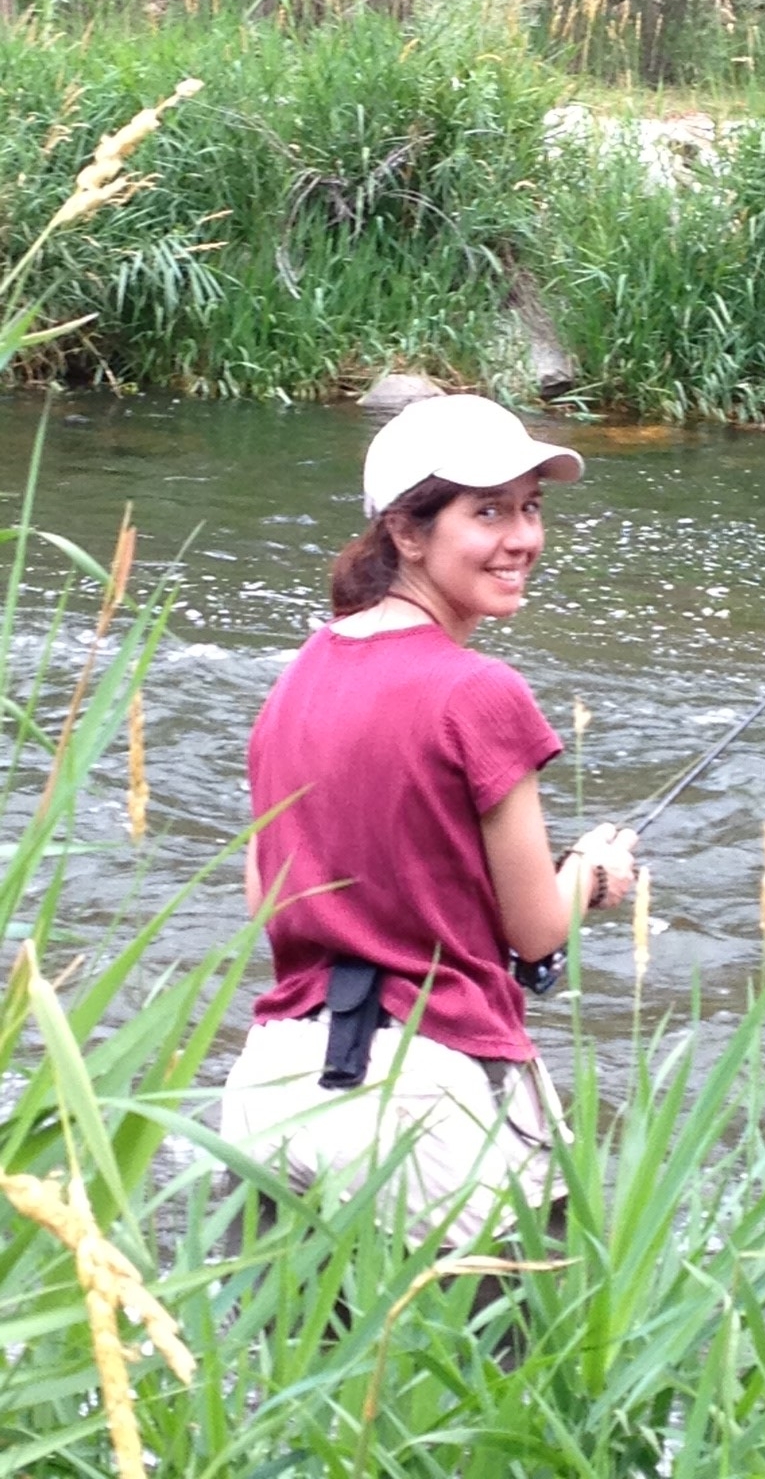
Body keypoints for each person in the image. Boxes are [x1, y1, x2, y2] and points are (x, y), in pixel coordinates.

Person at [221, 393, 638, 1249]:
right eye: (487, 511)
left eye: (530, 507)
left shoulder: (300, 671)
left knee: (297, 1375)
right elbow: (531, 930)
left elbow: (264, 891)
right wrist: (594, 877)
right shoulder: (480, 691)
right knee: (521, 1369)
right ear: (408, 534)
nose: (522, 537)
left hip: (273, 1091)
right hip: (431, 1104)